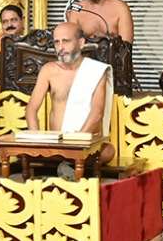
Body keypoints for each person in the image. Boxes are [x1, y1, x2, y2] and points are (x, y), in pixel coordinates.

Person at [27, 23, 114, 164]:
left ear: (81, 43)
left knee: (108, 151)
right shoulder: (48, 70)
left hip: (84, 144)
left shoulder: (96, 70)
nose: (60, 47)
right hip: (56, 144)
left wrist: (77, 144)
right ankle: (68, 165)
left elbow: (97, 113)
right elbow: (32, 108)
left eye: (66, 41)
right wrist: (35, 139)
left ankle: (68, 164)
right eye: (57, 42)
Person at [0, 4, 25, 76]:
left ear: (22, 20)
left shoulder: (32, 43)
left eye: (13, 20)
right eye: (5, 22)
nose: (9, 25)